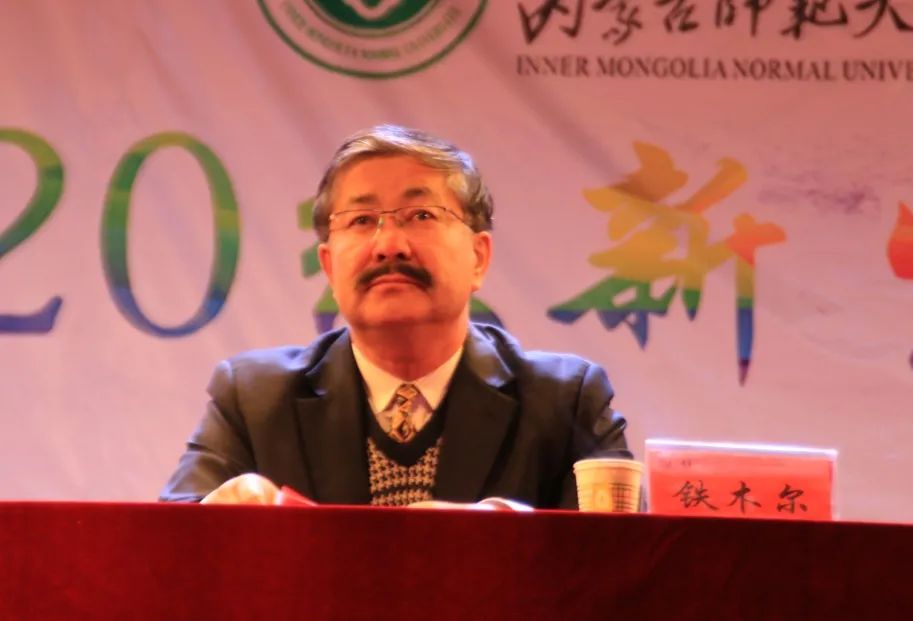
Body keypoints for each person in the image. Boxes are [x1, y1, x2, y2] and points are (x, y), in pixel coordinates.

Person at [160, 124, 630, 508]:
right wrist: (216, 516)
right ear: (328, 266)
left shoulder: (565, 401)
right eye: (361, 220)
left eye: (420, 215)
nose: (388, 245)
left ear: (478, 257)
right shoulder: (255, 400)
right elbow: (166, 551)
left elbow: (621, 565)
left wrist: (504, 533)